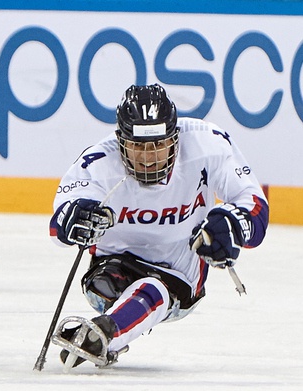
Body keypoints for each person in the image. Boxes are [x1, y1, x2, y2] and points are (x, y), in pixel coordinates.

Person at [49, 83, 269, 368]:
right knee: (127, 287)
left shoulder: (207, 144)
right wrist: (75, 220)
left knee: (154, 289)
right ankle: (108, 329)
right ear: (120, 141)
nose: (149, 157)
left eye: (158, 145)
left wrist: (234, 226)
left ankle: (106, 332)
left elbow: (255, 205)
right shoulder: (97, 164)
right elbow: (58, 226)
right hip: (113, 272)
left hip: (180, 275)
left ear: (175, 137)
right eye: (137, 147)